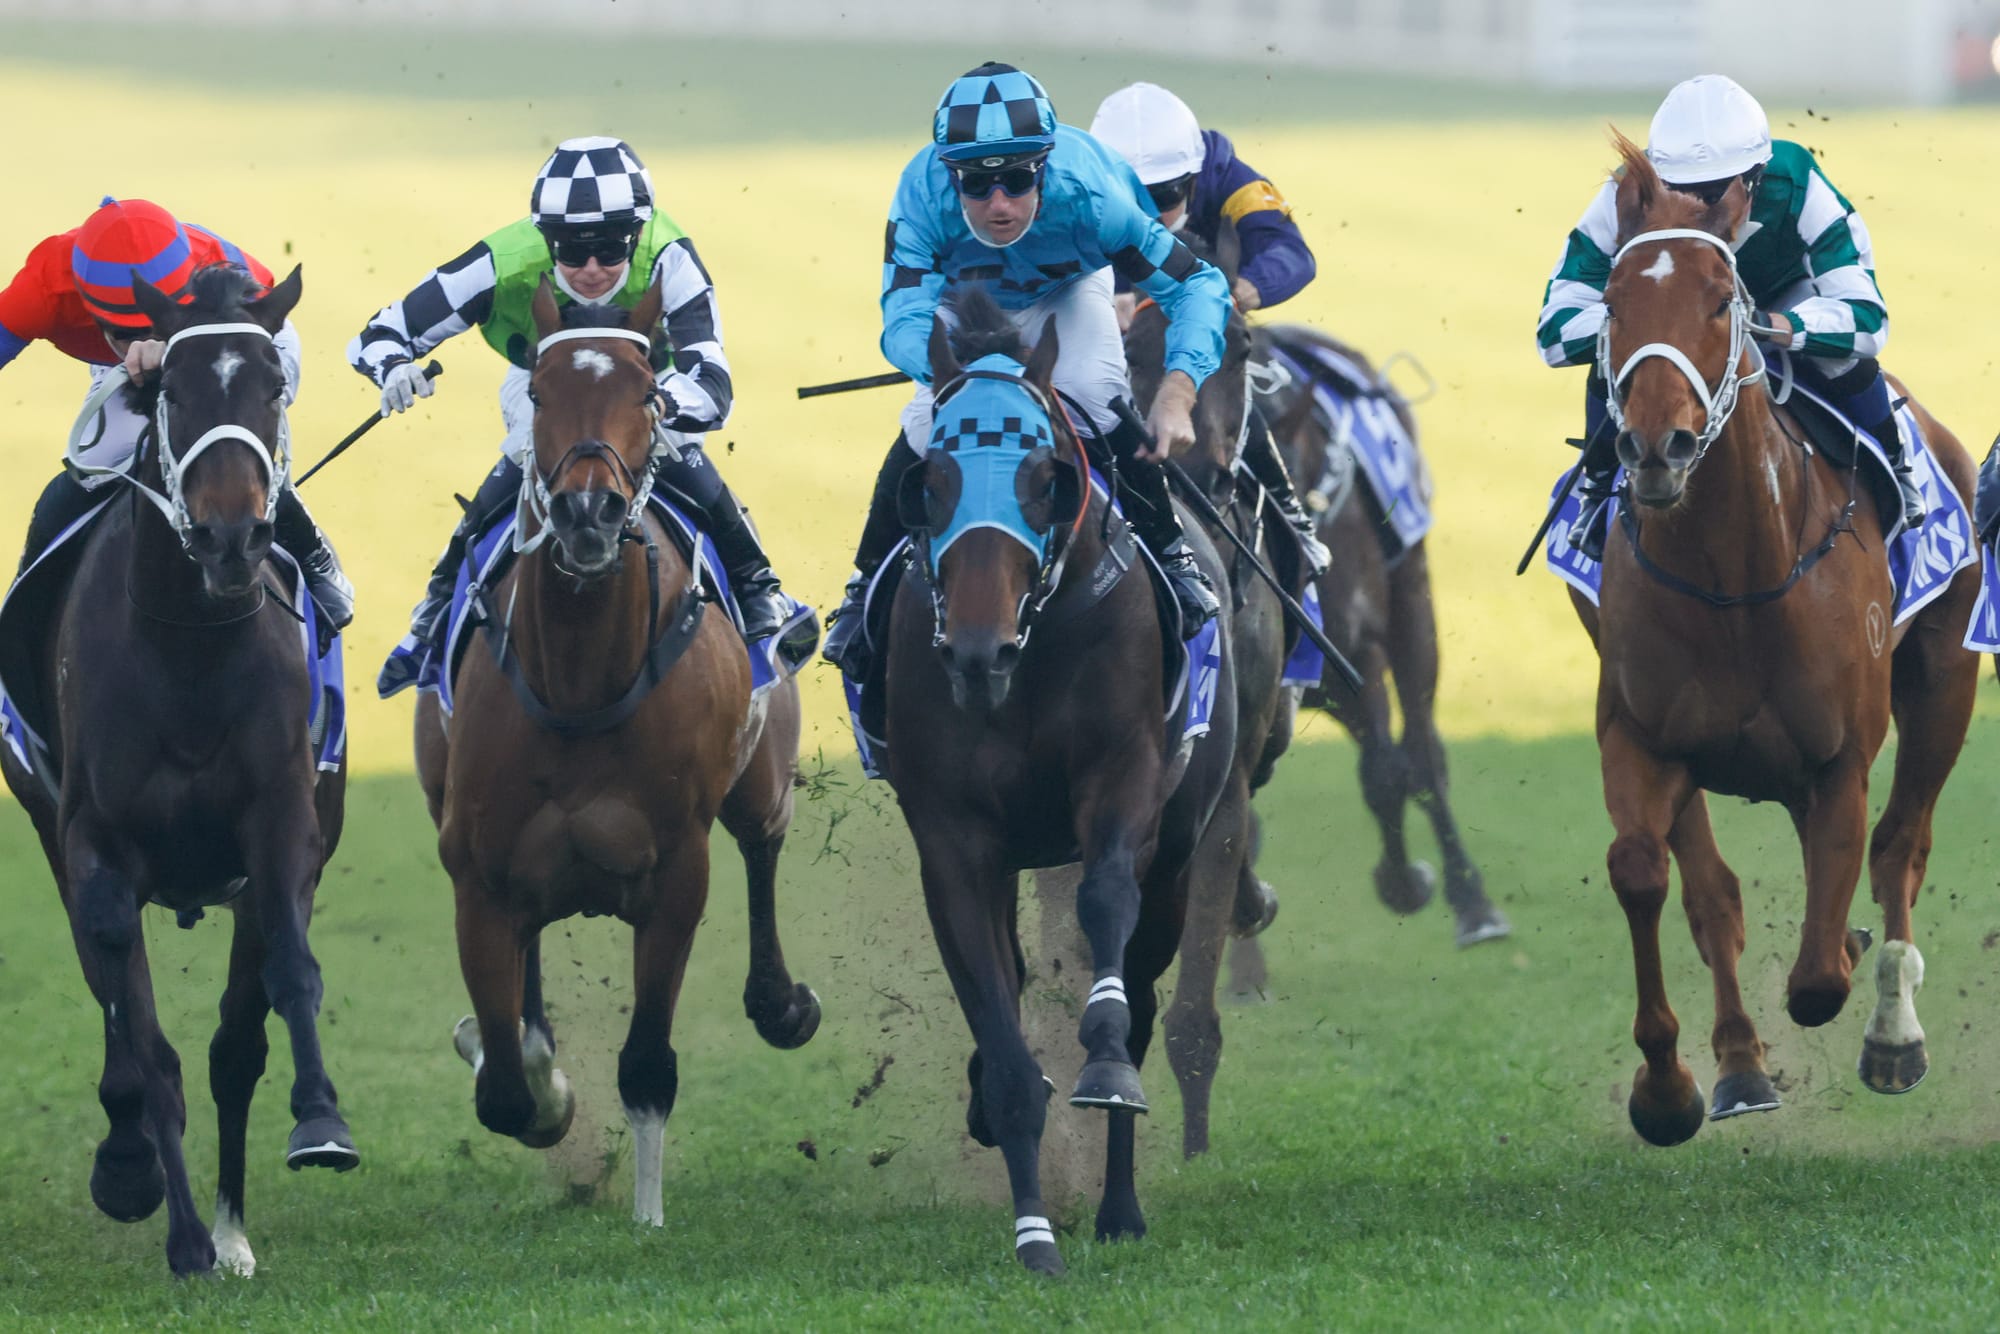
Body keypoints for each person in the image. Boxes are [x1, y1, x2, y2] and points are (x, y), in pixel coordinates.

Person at [821, 62, 1232, 676]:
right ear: (949, 175)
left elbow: (1198, 286)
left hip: (1067, 291)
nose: (999, 205)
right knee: (925, 424)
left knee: (1096, 393)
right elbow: (905, 317)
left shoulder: (1094, 198)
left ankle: (1171, 554)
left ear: (1044, 164)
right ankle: (863, 586)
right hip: (965, 303)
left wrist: (1178, 389)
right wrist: (963, 373)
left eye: (1017, 179)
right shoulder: (920, 195)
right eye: (976, 184)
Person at [352, 136, 793, 684]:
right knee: (527, 446)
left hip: (646, 380)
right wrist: (395, 368)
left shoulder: (670, 256)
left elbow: (713, 383)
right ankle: (437, 606)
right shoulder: (499, 261)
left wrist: (656, 404)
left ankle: (757, 583)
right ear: (545, 238)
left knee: (673, 441)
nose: (590, 268)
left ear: (638, 234)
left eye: (610, 249)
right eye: (569, 250)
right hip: (550, 379)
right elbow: (381, 333)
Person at [1536, 74, 1923, 561]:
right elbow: (1554, 331)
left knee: (1841, 357)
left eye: (1714, 191)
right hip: (1676, 313)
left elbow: (1866, 318)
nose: (1697, 207)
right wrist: (1642, 325)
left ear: (1756, 178)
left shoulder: (1798, 180)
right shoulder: (1631, 194)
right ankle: (1596, 490)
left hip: (1784, 300)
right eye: (1679, 190)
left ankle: (1896, 467)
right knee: (1619, 353)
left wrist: (1770, 325)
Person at [3, 196, 351, 624]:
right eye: (124, 333)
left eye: (152, 327)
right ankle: (29, 596)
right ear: (89, 308)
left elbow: (239, 357)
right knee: (94, 467)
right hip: (140, 356)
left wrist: (174, 346)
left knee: (227, 433)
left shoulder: (216, 265)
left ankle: (316, 560)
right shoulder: (44, 286)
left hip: (235, 339)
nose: (142, 343)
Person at [1090, 81, 1329, 573]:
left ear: (1194, 181)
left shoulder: (1230, 178)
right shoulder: (1074, 186)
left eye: (1163, 195)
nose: (1149, 213)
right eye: (1131, 196)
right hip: (1114, 339)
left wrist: (1234, 294)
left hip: (1211, 339)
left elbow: (1291, 253)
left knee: (1234, 396)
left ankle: (1291, 518)